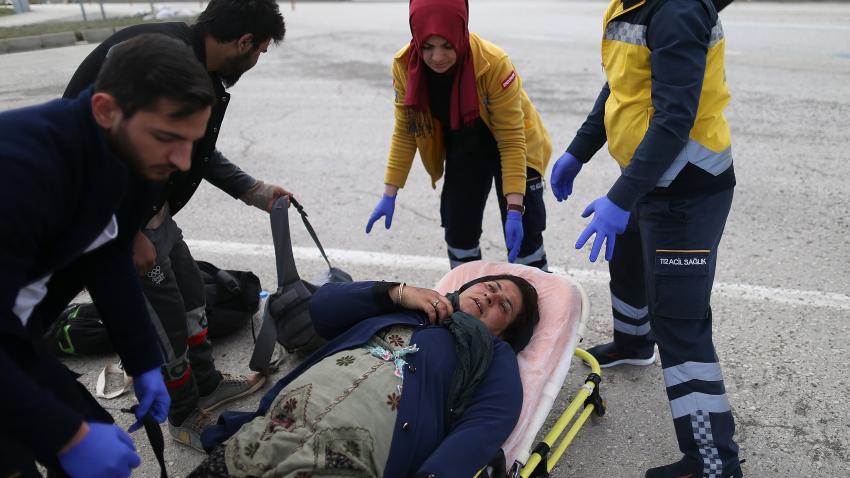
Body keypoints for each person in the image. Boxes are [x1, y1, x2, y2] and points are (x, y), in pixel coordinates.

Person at [63, 0, 290, 451]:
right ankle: (184, 417)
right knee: (164, 324)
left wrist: (254, 190)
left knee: (190, 295)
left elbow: (194, 150)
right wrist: (126, 233)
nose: (257, 61)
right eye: (261, 51)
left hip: (152, 209)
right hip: (112, 217)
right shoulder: (159, 62)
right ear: (244, 42)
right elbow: (98, 147)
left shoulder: (199, 67)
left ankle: (205, 384)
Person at [0, 34, 215, 478]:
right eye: (168, 138)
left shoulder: (133, 157)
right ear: (104, 110)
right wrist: (67, 437)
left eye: (190, 141)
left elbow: (109, 257)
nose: (182, 161)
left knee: (91, 439)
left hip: (17, 332)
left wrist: (143, 361)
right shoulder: (20, 173)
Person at [550, 0, 742, 476]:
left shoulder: (675, 10)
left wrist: (621, 198)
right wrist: (580, 149)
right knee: (628, 262)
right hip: (647, 175)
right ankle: (634, 344)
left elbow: (676, 118)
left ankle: (712, 461)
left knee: (679, 323)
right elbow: (622, 87)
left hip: (685, 188)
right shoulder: (630, 3)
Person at [195, 275, 540, 477]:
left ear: (505, 333)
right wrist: (397, 293)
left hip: (354, 449)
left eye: (504, 306)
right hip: (281, 420)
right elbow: (322, 307)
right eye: (492, 286)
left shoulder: (494, 355)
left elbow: (487, 423)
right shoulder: (413, 304)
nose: (491, 296)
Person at [366, 0, 552, 271]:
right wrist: (389, 193)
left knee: (526, 238)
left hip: (516, 144)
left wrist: (515, 210)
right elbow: (407, 131)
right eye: (427, 46)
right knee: (459, 231)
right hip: (465, 144)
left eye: (447, 45)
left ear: (460, 32)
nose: (437, 57)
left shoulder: (494, 63)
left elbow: (511, 140)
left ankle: (537, 286)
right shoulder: (405, 66)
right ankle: (466, 290)